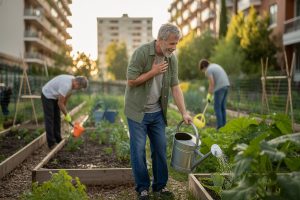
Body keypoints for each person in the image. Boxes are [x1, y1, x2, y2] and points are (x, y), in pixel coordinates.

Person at [124, 23, 192, 200]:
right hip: (137, 112)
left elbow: (175, 87)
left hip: (156, 113)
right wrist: (153, 72)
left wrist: (184, 112)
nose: (174, 48)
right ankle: (142, 189)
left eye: (176, 44)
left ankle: (159, 187)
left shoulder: (172, 59)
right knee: (138, 150)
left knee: (160, 149)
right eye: (171, 44)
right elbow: (131, 80)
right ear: (160, 40)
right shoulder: (142, 53)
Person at [41, 75, 88, 149]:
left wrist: (64, 111)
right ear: (76, 83)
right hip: (47, 94)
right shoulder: (66, 85)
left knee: (57, 118)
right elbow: (60, 103)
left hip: (56, 96)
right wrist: (66, 115)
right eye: (79, 88)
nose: (78, 89)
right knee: (50, 119)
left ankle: (58, 139)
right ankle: (51, 143)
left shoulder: (73, 87)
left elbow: (64, 100)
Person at [199, 59, 230, 129]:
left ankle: (220, 127)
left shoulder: (208, 70)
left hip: (220, 88)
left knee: (217, 107)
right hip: (226, 85)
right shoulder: (215, 65)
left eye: (203, 70)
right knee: (222, 107)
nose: (204, 72)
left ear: (204, 66)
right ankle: (224, 127)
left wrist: (209, 94)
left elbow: (212, 83)